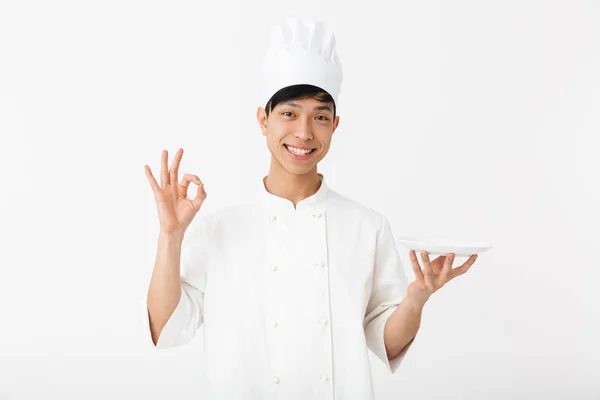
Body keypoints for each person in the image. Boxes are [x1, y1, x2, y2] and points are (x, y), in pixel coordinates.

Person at [142, 17, 478, 400]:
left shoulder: (366, 227)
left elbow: (387, 342)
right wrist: (170, 237)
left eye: (319, 117)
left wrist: (416, 299)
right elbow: (166, 327)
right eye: (289, 113)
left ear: (335, 125)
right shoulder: (219, 227)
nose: (304, 132)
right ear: (262, 120)